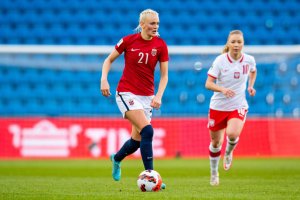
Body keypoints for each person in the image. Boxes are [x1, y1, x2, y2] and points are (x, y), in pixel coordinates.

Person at [100, 9, 168, 189]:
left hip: (147, 97)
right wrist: (104, 79)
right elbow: (108, 60)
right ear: (143, 25)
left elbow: (164, 76)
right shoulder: (128, 40)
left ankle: (116, 158)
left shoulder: (160, 45)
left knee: (136, 142)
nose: (155, 27)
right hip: (126, 93)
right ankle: (152, 177)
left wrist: (158, 96)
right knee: (148, 131)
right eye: (152, 23)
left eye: (157, 24)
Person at [205, 30, 257, 186]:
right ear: (228, 44)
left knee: (232, 134)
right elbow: (208, 84)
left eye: (239, 42)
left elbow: (253, 72)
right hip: (218, 106)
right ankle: (214, 173)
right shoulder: (220, 61)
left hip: (238, 105)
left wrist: (251, 86)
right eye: (233, 42)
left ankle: (228, 153)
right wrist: (222, 90)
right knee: (215, 143)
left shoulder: (249, 60)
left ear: (243, 44)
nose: (236, 45)